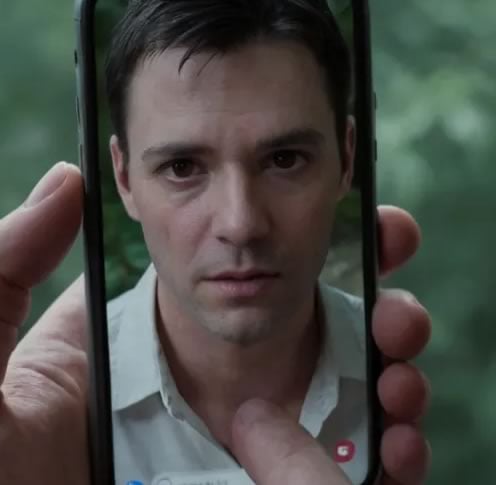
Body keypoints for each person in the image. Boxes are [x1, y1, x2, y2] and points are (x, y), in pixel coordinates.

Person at [97, 0, 412, 482]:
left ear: (347, 160)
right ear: (124, 178)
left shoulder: (399, 383)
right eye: (182, 167)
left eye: (284, 160)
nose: (241, 223)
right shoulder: (62, 403)